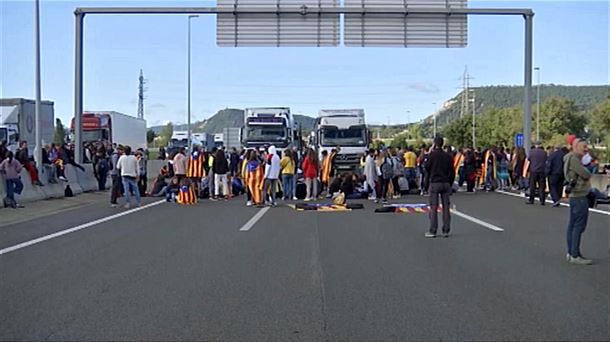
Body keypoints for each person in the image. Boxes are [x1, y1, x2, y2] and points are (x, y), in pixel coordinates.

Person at [563, 139, 593, 265]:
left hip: (575, 195)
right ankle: (575, 254)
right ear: (575, 147)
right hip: (580, 194)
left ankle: (571, 252)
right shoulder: (574, 159)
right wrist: (587, 170)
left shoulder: (569, 158)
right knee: (578, 226)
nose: (586, 149)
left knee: (572, 225)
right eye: (584, 147)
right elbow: (585, 174)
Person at [424, 136, 455, 238]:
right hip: (445, 182)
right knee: (446, 207)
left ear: (434, 143)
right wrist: (450, 183)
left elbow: (426, 167)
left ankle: (433, 230)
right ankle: (446, 230)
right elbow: (452, 171)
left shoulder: (432, 155)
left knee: (434, 207)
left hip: (435, 182)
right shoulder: (448, 156)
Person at [527, 141, 548, 205]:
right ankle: (542, 200)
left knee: (532, 186)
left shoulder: (532, 152)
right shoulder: (544, 153)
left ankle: (531, 199)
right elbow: (546, 160)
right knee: (541, 186)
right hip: (542, 170)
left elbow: (529, 159)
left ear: (535, 145)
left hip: (533, 170)